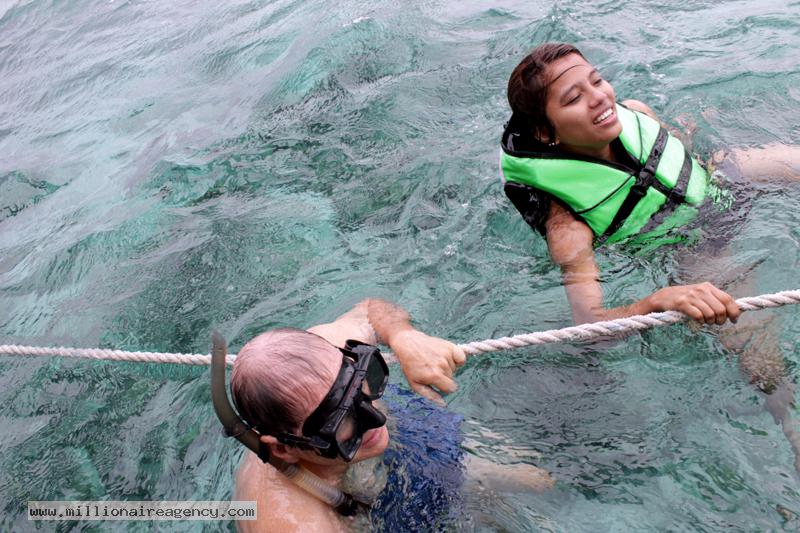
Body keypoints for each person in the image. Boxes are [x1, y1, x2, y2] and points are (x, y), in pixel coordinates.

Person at [499, 42, 800, 468]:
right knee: (757, 349)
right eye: (574, 98)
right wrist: (657, 300)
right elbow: (591, 326)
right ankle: (792, 429)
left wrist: (687, 136)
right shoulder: (568, 230)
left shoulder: (636, 111)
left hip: (718, 183)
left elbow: (677, 150)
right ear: (548, 133)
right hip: (693, 246)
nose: (599, 97)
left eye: (597, 81)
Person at [216, 298, 552, 532]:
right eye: (341, 421)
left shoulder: (320, 354)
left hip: (392, 460)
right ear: (283, 448)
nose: (374, 418)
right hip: (364, 507)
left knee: (541, 480)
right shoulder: (293, 520)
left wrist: (405, 338)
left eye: (364, 387)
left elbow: (371, 310)